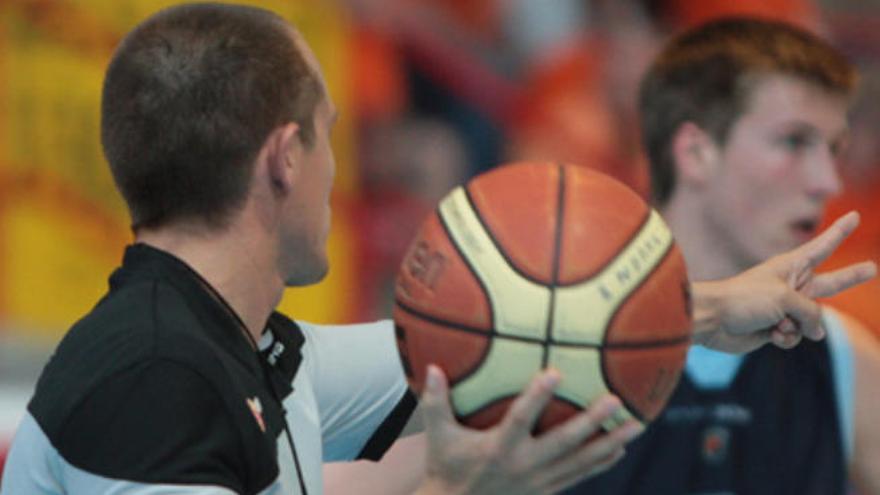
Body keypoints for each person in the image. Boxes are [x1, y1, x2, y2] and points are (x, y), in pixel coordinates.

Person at [0, 4, 874, 495]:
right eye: (333, 135)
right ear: (285, 157)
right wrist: (456, 491)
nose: (344, 170)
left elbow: (501, 338)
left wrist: (716, 306)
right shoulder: (155, 377)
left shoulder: (239, 351)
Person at [566, 16, 880, 495]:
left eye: (833, 150)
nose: (828, 182)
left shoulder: (841, 356)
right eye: (794, 142)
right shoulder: (547, 336)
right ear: (696, 153)